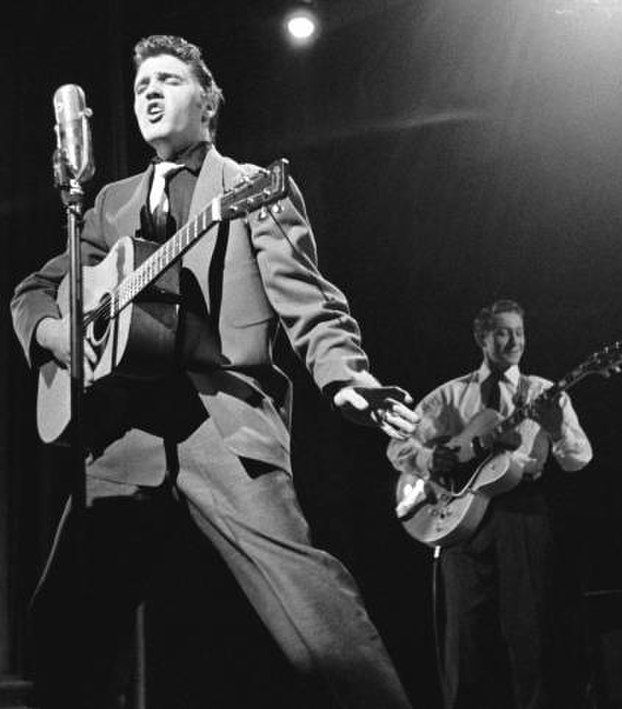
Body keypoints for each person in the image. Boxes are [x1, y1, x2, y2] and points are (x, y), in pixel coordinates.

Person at [11, 34, 420, 709]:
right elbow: (34, 290)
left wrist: (347, 377)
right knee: (62, 629)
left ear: (208, 102)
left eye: (168, 80)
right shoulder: (107, 204)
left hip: (221, 422)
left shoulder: (249, 187)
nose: (149, 91)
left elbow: (308, 300)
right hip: (125, 436)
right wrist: (60, 336)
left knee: (318, 622)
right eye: (141, 85)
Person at [387, 299, 593, 709]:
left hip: (522, 514)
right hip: (460, 518)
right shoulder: (451, 395)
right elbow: (398, 444)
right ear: (482, 338)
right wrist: (430, 459)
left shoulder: (543, 392)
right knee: (464, 640)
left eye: (519, 332)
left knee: (530, 633)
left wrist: (555, 430)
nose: (514, 341)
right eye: (502, 332)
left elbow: (578, 459)